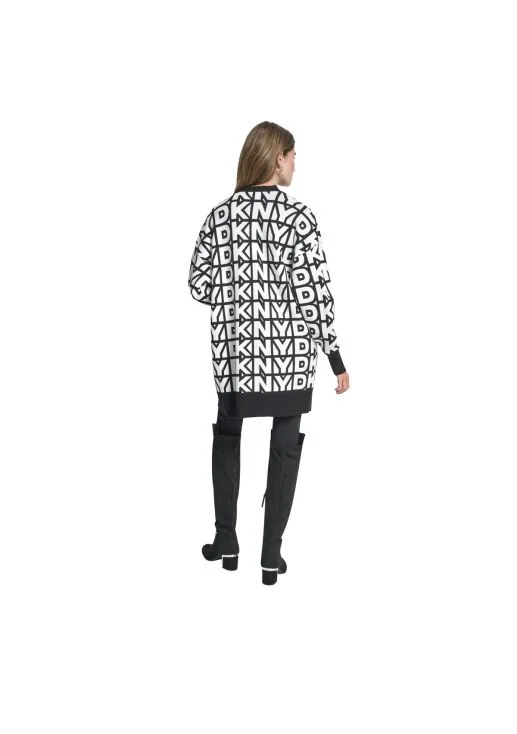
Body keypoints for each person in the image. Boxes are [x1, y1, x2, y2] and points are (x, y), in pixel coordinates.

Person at [187, 121, 350, 585]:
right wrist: (334, 358)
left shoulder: (220, 216)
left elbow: (198, 284)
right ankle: (270, 554)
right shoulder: (299, 218)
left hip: (236, 356)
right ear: (277, 158)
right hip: (288, 357)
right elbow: (315, 294)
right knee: (285, 445)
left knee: (227, 435)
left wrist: (238, 294)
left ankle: (226, 540)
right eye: (293, 156)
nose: (296, 164)